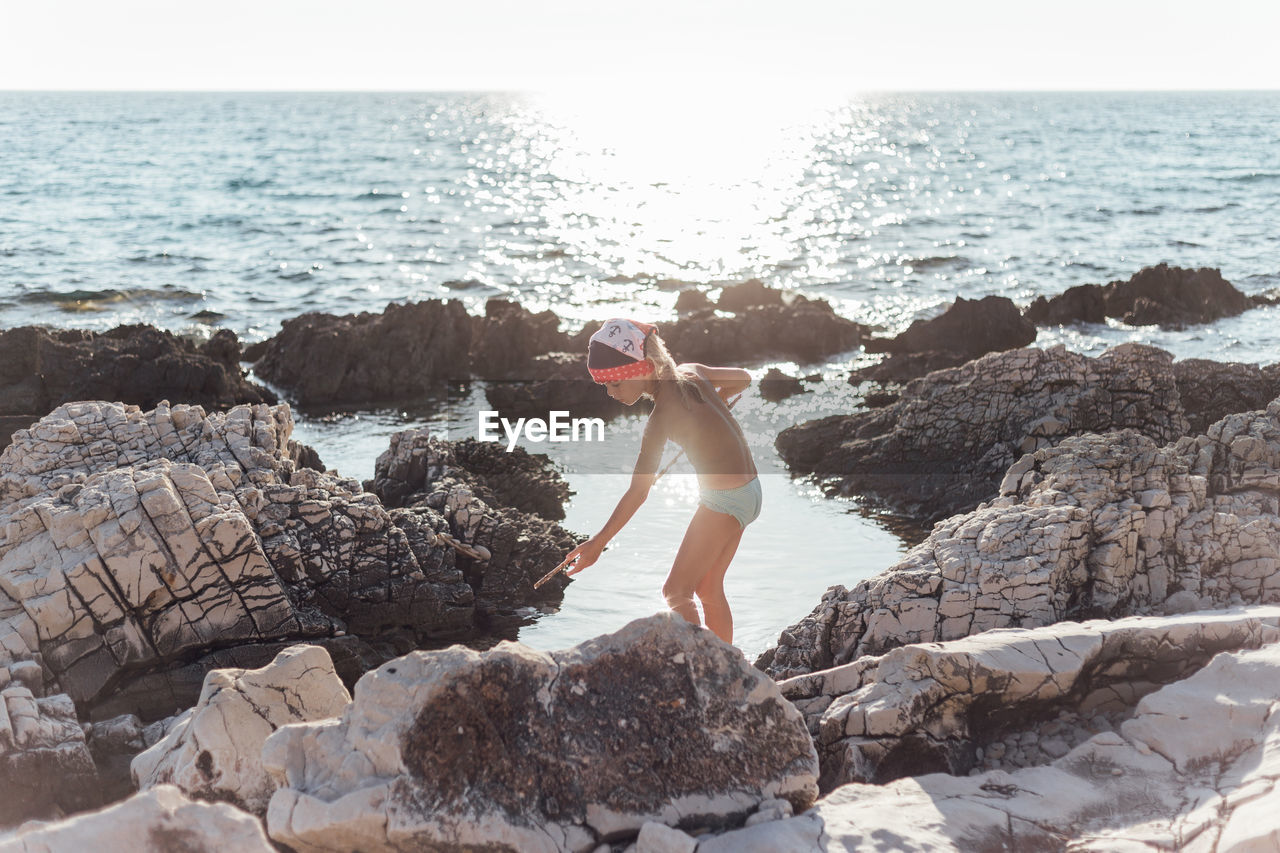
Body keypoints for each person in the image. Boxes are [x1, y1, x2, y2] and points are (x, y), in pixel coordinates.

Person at [560, 318, 761, 644]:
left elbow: (638, 492)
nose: (611, 394)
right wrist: (720, 397)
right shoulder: (693, 371)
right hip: (750, 492)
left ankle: (708, 667)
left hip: (725, 499)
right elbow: (744, 379)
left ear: (647, 368)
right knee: (708, 587)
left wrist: (597, 543)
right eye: (606, 387)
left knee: (675, 592)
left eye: (616, 384)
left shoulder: (661, 418)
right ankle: (730, 665)